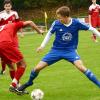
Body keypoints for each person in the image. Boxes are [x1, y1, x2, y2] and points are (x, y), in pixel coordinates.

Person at [17, 6, 100, 95]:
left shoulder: (76, 23)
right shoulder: (56, 23)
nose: (58, 19)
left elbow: (91, 28)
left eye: (60, 17)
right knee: (37, 68)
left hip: (70, 51)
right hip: (56, 51)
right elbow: (49, 33)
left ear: (66, 16)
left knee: (82, 68)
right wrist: (42, 46)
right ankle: (29, 82)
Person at [0, 20, 43, 93]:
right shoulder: (15, 25)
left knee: (11, 67)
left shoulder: (2, 27)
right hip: (5, 44)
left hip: (2, 46)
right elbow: (30, 22)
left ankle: (17, 87)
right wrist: (39, 31)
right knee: (23, 64)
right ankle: (13, 85)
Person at [0, 0, 23, 75]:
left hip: (13, 35)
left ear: (11, 6)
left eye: (9, 6)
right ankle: (3, 70)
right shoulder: (1, 14)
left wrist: (21, 32)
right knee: (4, 55)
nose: (8, 7)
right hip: (4, 36)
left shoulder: (14, 13)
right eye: (6, 6)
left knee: (16, 51)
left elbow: (18, 23)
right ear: (4, 7)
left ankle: (18, 68)